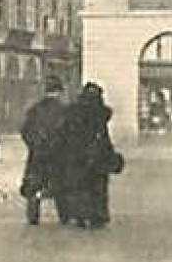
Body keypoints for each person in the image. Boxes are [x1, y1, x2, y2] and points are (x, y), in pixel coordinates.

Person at [55, 82, 117, 229]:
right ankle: (99, 215)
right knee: (99, 186)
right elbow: (105, 122)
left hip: (77, 154)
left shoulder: (73, 111)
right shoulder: (100, 113)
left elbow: (64, 131)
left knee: (79, 185)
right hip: (97, 153)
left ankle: (80, 215)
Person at [20, 76, 69, 225]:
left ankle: (33, 216)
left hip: (37, 155)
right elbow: (69, 133)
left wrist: (34, 145)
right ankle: (64, 216)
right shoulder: (64, 111)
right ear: (59, 91)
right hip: (58, 156)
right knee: (61, 186)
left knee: (34, 185)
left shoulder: (34, 110)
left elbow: (25, 131)